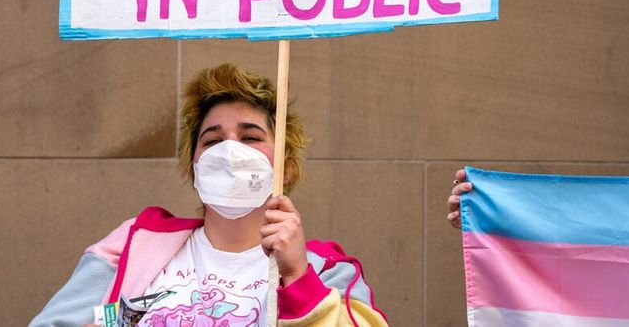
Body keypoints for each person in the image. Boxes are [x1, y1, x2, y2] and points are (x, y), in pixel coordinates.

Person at [30, 63, 387, 326]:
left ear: (286, 166)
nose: (230, 152)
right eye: (213, 140)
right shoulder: (134, 244)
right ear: (195, 166)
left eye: (250, 137)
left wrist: (297, 277)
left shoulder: (328, 272)